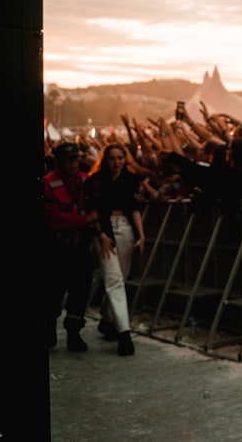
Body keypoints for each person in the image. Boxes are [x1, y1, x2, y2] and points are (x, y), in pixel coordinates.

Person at [84, 143, 145, 356]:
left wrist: (141, 234)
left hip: (126, 229)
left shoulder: (130, 179)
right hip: (105, 231)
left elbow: (133, 208)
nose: (116, 162)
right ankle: (124, 333)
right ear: (105, 159)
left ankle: (108, 319)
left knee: (122, 276)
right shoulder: (95, 181)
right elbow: (93, 209)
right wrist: (101, 234)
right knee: (114, 279)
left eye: (120, 158)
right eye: (112, 158)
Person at [43, 142, 95, 352]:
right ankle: (49, 329)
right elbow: (54, 219)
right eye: (70, 160)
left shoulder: (86, 181)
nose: (74, 164)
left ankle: (74, 333)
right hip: (57, 248)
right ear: (60, 162)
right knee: (53, 292)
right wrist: (85, 220)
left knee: (80, 292)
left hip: (80, 248)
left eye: (76, 159)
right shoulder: (48, 183)